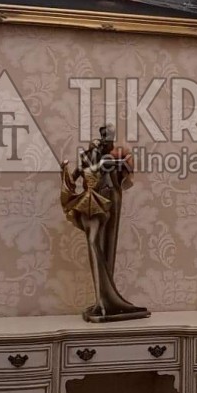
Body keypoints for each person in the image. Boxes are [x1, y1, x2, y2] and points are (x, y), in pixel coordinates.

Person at [60, 124, 149, 322]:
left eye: (107, 139)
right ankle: (103, 299)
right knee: (95, 243)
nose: (103, 143)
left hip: (110, 197)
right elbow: (74, 178)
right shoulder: (96, 159)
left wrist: (124, 161)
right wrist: (66, 173)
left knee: (108, 243)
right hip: (94, 201)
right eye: (102, 140)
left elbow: (124, 170)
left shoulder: (109, 157)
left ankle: (107, 300)